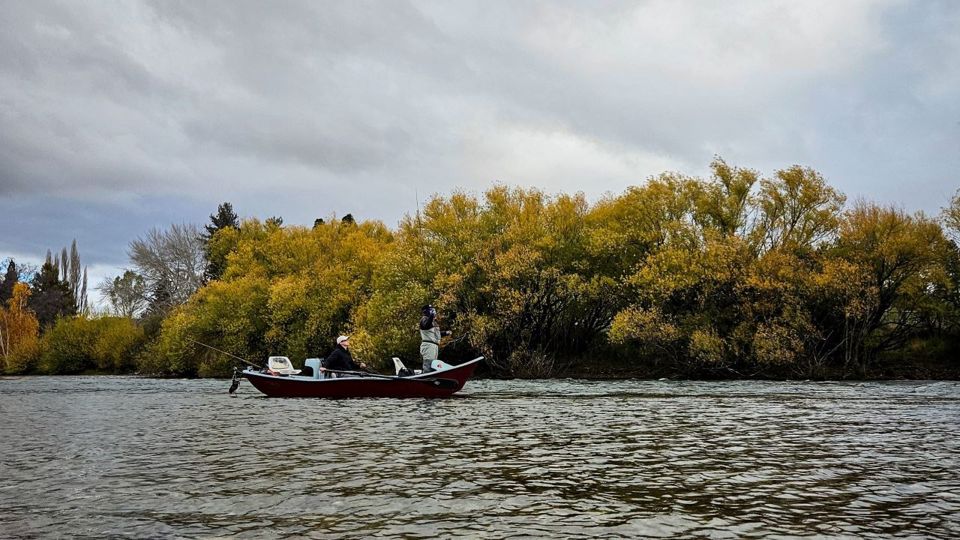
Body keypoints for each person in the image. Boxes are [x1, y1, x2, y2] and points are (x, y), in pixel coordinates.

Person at [419, 305, 452, 373]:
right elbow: (426, 326)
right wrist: (431, 316)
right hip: (428, 345)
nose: (434, 312)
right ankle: (426, 378)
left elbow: (435, 334)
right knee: (428, 364)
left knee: (433, 364)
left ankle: (432, 378)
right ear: (427, 311)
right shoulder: (424, 319)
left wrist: (445, 333)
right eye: (431, 310)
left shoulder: (433, 321)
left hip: (434, 346)